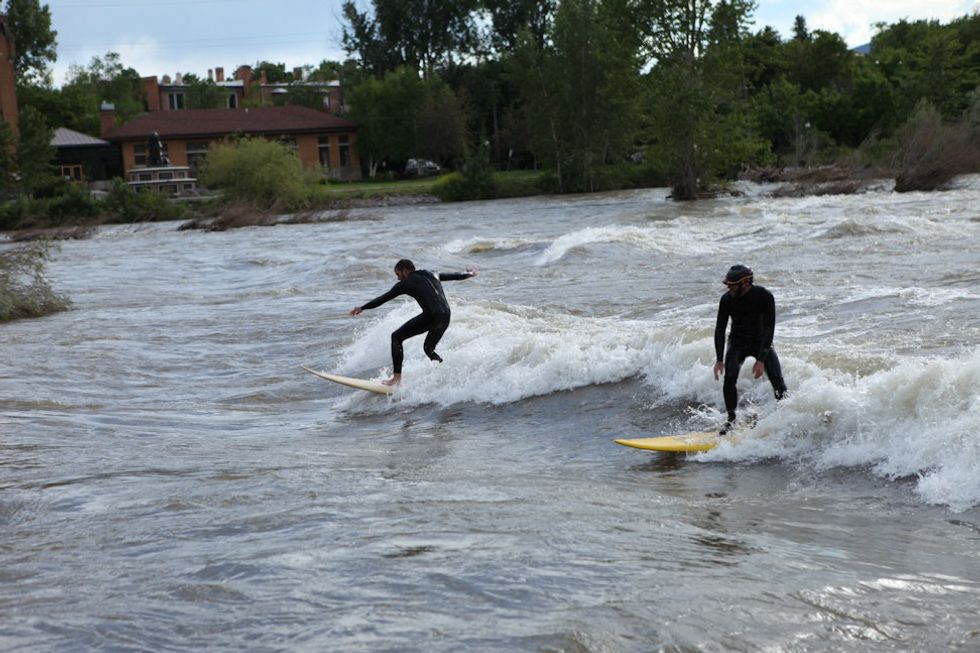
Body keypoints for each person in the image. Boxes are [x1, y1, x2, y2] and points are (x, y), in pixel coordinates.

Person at [351, 259, 478, 386]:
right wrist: (469, 273)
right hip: (446, 315)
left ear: (405, 270)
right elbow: (455, 276)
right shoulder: (432, 273)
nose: (398, 278)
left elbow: (383, 298)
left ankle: (396, 379)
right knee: (428, 348)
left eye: (398, 274)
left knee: (396, 337)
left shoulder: (406, 283)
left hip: (432, 316)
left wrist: (362, 308)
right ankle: (444, 372)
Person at [712, 264, 787, 434]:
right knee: (729, 378)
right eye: (728, 285)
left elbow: (770, 328)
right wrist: (719, 359)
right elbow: (720, 329)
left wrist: (761, 359)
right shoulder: (726, 300)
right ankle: (731, 419)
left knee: (778, 381)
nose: (729, 288)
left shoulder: (764, 296)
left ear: (745, 282)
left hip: (761, 341)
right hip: (737, 341)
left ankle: (784, 417)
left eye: (732, 285)